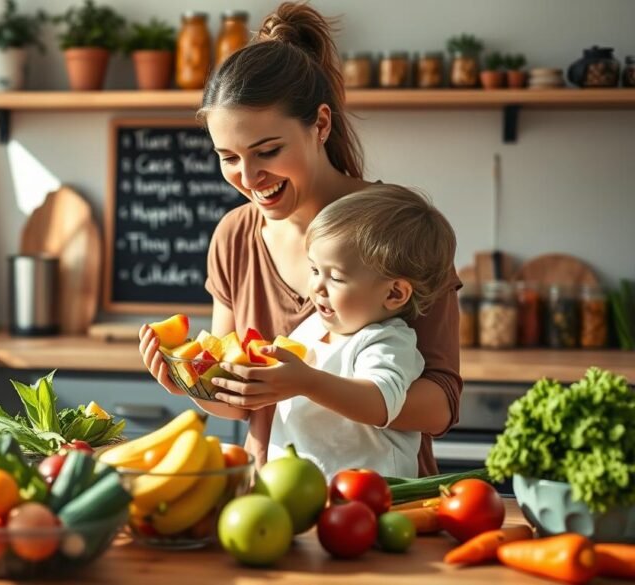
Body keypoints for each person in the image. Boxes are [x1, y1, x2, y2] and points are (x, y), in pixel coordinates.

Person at [138, 1, 462, 476]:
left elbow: (441, 407)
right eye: (227, 157)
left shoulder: (396, 228)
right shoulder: (234, 237)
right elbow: (244, 404)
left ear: (321, 125)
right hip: (273, 501)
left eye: (267, 150)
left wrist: (307, 382)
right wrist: (192, 383)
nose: (248, 177)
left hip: (383, 505)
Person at [215, 186, 456, 478]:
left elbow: (380, 402)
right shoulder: (312, 328)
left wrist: (308, 382)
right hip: (296, 493)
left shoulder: (388, 341)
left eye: (336, 277)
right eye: (315, 270)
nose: (316, 286)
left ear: (394, 293)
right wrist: (189, 382)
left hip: (367, 501)